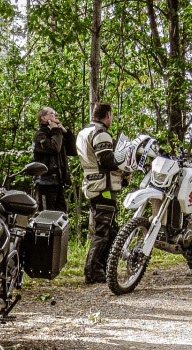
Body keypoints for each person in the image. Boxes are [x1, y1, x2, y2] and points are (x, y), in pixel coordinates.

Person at [76, 102, 127, 284]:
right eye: (111, 116)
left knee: (110, 230)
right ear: (108, 115)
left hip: (91, 185)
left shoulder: (83, 132)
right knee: (103, 231)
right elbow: (106, 160)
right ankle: (92, 270)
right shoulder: (101, 133)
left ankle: (103, 268)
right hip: (103, 187)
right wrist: (125, 164)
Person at [32, 107, 74, 212]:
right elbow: (54, 148)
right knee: (46, 216)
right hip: (45, 183)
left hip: (58, 183)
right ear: (43, 118)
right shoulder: (40, 135)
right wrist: (56, 130)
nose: (56, 115)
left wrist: (66, 133)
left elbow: (74, 151)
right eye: (52, 114)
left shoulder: (57, 134)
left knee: (61, 215)